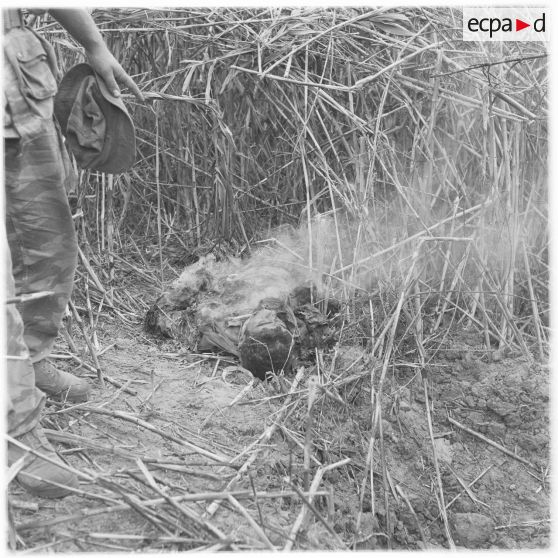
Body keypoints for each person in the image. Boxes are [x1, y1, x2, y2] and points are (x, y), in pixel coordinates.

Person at [4, 8, 143, 498]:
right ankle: (15, 426)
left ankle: (30, 357)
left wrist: (94, 44)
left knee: (45, 239)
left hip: (18, 86)